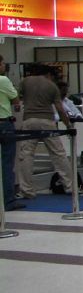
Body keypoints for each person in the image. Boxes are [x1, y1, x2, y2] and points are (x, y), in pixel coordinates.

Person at [16, 63, 74, 201]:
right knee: (58, 154)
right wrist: (68, 125)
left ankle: (27, 190)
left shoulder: (25, 82)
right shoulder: (51, 85)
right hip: (47, 121)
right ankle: (70, 187)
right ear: (48, 75)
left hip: (29, 120)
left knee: (26, 155)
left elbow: (18, 100)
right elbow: (60, 109)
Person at [0, 55, 21, 211]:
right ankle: (8, 200)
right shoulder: (3, 80)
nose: (4, 66)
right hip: (4, 124)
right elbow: (15, 99)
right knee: (7, 163)